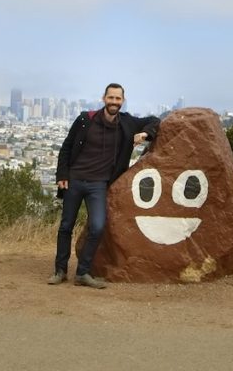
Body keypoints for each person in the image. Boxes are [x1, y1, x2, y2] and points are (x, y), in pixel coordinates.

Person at [49, 83, 160, 289]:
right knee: (66, 226)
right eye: (111, 98)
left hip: (98, 185)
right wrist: (62, 175)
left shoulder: (127, 123)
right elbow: (67, 146)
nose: (114, 102)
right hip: (74, 180)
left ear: (123, 101)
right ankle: (60, 270)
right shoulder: (86, 120)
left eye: (118, 99)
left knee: (98, 226)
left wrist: (144, 134)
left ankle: (82, 272)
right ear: (104, 99)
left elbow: (154, 121)